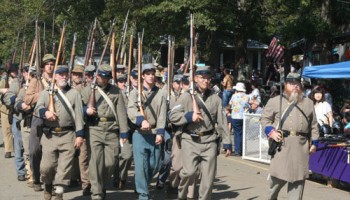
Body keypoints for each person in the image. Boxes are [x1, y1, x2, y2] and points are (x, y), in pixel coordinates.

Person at [169, 66, 232, 200]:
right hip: (190, 140)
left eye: (208, 78)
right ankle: (182, 195)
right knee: (189, 172)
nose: (206, 81)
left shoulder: (215, 99)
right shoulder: (187, 96)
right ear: (196, 79)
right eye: (202, 78)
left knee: (208, 179)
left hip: (209, 141)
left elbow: (222, 121)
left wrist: (227, 142)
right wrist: (189, 116)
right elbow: (173, 115)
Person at [260, 72, 319, 200]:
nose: (295, 86)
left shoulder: (308, 103)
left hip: (301, 147)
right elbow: (264, 119)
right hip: (282, 146)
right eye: (292, 84)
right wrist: (271, 132)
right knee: (275, 182)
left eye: (297, 84)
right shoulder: (275, 101)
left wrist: (315, 143)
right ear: (286, 85)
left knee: (297, 182)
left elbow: (314, 125)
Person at [35, 65, 85, 200]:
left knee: (64, 167)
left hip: (68, 135)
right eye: (60, 74)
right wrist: (45, 112)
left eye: (65, 74)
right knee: (46, 167)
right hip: (49, 136)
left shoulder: (74, 93)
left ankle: (59, 193)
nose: (63, 76)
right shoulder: (47, 92)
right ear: (55, 76)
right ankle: (47, 184)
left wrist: (80, 135)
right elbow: (38, 107)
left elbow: (79, 116)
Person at [81, 64, 128, 200]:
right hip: (94, 128)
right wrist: (86, 111)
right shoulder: (87, 90)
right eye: (103, 77)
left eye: (107, 77)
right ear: (97, 76)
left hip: (111, 129)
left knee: (111, 162)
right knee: (95, 162)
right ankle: (96, 193)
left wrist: (124, 132)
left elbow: (121, 112)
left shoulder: (115, 91)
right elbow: (79, 107)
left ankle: (102, 185)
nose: (105, 80)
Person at [128, 63, 167, 200]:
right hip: (139, 134)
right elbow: (131, 109)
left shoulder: (161, 93)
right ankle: (143, 194)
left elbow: (162, 114)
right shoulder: (136, 93)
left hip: (154, 132)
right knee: (140, 166)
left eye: (152, 74)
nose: (151, 76)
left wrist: (160, 133)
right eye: (148, 74)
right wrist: (140, 120)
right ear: (143, 76)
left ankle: (142, 183)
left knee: (155, 165)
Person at [1, 64, 25, 181]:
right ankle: (20, 170)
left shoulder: (28, 82)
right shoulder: (10, 81)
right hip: (10, 112)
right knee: (11, 136)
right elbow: (5, 97)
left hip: (30, 117)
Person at [229, 82, 250, 156]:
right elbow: (248, 105)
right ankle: (243, 150)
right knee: (243, 133)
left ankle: (238, 151)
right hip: (244, 116)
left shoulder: (234, 96)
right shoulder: (247, 96)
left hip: (235, 116)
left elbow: (230, 104)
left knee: (237, 134)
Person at [0, 62, 14, 159]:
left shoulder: (20, 80)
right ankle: (8, 150)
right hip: (5, 109)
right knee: (7, 130)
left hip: (17, 109)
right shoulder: (4, 80)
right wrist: (2, 90)